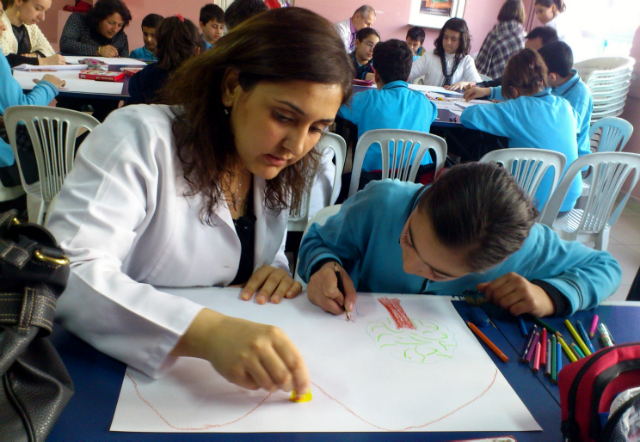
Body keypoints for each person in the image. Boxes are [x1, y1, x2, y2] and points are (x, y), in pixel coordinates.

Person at [46, 8, 353, 394]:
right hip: (109, 378)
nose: (296, 145)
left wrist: (275, 269)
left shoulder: (268, 163)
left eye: (317, 128)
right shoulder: (139, 139)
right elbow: (67, 270)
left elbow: (243, 250)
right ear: (231, 86)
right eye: (283, 116)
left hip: (210, 390)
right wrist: (207, 332)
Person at [298, 163, 621, 319]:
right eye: (409, 238)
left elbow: (605, 266)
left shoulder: (522, 245)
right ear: (425, 196)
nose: (409, 267)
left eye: (439, 273)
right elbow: (317, 241)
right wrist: (322, 267)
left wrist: (549, 296)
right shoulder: (382, 203)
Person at [460, 48, 582, 213]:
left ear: (514, 91)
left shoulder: (515, 109)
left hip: (528, 206)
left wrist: (504, 102)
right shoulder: (565, 106)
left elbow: (467, 116)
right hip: (566, 204)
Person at [337, 39, 437, 174]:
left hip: (370, 183)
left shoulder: (365, 100)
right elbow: (433, 113)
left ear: (376, 75)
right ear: (408, 77)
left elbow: (337, 106)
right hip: (418, 185)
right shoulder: (425, 103)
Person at [0, 7, 65, 212]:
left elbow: (47, 51)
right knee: (73, 136)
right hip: (4, 166)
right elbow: (21, 113)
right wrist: (48, 85)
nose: (2, 26)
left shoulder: (27, 29)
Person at [458, 26, 558, 97]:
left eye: (532, 54)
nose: (526, 58)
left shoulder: (554, 87)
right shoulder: (522, 72)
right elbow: (497, 83)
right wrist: (478, 86)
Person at [128, 16, 203, 105]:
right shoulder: (202, 80)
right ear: (197, 50)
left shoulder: (146, 75)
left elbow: (133, 89)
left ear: (158, 47)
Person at [538, 41, 593, 159]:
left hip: (572, 161)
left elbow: (568, 132)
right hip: (552, 149)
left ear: (552, 77)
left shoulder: (580, 94)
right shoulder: (553, 83)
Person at [408, 18, 481, 86]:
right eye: (445, 37)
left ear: (462, 41)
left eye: (453, 39)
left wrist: (465, 84)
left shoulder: (466, 61)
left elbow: (479, 85)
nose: (448, 42)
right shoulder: (430, 56)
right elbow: (408, 74)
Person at [0, 0, 65, 67]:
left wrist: (35, 55)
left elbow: (49, 51)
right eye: (37, 8)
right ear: (19, 1)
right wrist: (44, 61)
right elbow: (4, 59)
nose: (42, 17)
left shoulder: (30, 27)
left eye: (45, 11)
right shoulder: (1, 27)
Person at [474, 0, 525, 80]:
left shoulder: (494, 35)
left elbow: (479, 68)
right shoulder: (522, 37)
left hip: (490, 85)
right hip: (514, 87)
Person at [59, 0, 131, 57]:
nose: (115, 29)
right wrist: (99, 50)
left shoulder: (121, 37)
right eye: (111, 23)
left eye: (120, 25)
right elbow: (66, 43)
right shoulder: (79, 20)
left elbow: (125, 64)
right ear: (99, 18)